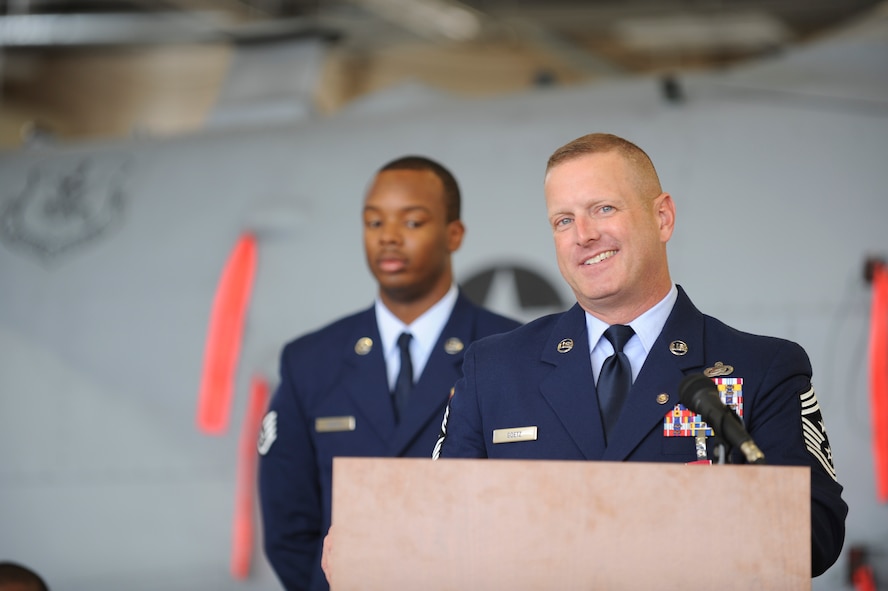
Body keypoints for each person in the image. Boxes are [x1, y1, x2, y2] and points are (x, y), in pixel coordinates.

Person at [434, 133, 847, 577]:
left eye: (604, 209)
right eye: (563, 220)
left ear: (663, 217)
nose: (585, 236)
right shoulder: (493, 370)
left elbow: (814, 533)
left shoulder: (762, 368)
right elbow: (433, 522)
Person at [258, 155, 521, 590]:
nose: (389, 239)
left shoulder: (513, 352)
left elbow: (533, 510)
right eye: (374, 223)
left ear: (453, 234)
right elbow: (289, 526)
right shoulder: (311, 361)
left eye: (412, 222)